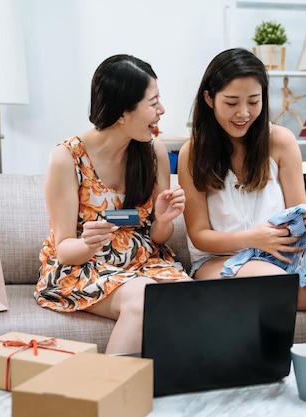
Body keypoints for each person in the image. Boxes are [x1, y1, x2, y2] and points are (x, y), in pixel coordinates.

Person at [178, 48, 306, 310]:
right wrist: (252, 238)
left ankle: (272, 298)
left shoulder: (281, 141)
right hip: (219, 262)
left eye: (253, 101)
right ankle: (278, 295)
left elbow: (299, 215)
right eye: (231, 103)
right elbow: (199, 235)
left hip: (282, 259)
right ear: (209, 98)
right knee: (272, 279)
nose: (243, 113)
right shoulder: (193, 153)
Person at [35, 54, 191, 355]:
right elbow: (65, 247)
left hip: (143, 262)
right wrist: (89, 244)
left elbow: (157, 238)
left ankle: (172, 393)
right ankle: (109, 393)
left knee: (188, 299)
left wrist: (162, 219)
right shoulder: (68, 158)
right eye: (153, 102)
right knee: (145, 298)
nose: (162, 110)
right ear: (123, 112)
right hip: (82, 265)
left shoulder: (153, 152)